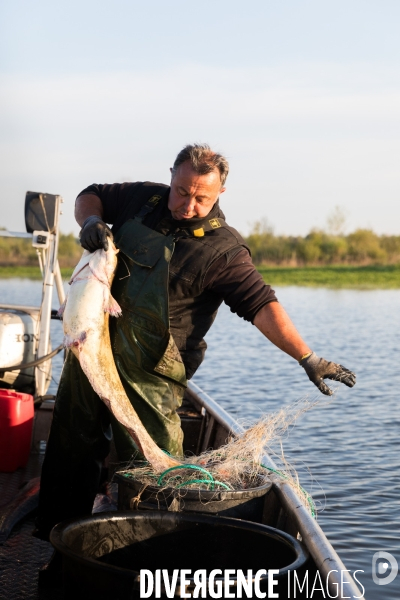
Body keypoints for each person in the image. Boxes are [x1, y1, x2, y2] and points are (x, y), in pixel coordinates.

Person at [35, 143, 355, 551]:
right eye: (181, 191)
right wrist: (92, 219)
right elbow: (90, 193)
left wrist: (308, 357)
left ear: (220, 192)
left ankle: (144, 559)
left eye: (201, 197)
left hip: (151, 374)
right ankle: (58, 549)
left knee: (151, 468)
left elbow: (262, 305)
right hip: (89, 349)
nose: (188, 204)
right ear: (171, 176)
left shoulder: (225, 251)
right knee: (70, 446)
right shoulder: (141, 199)